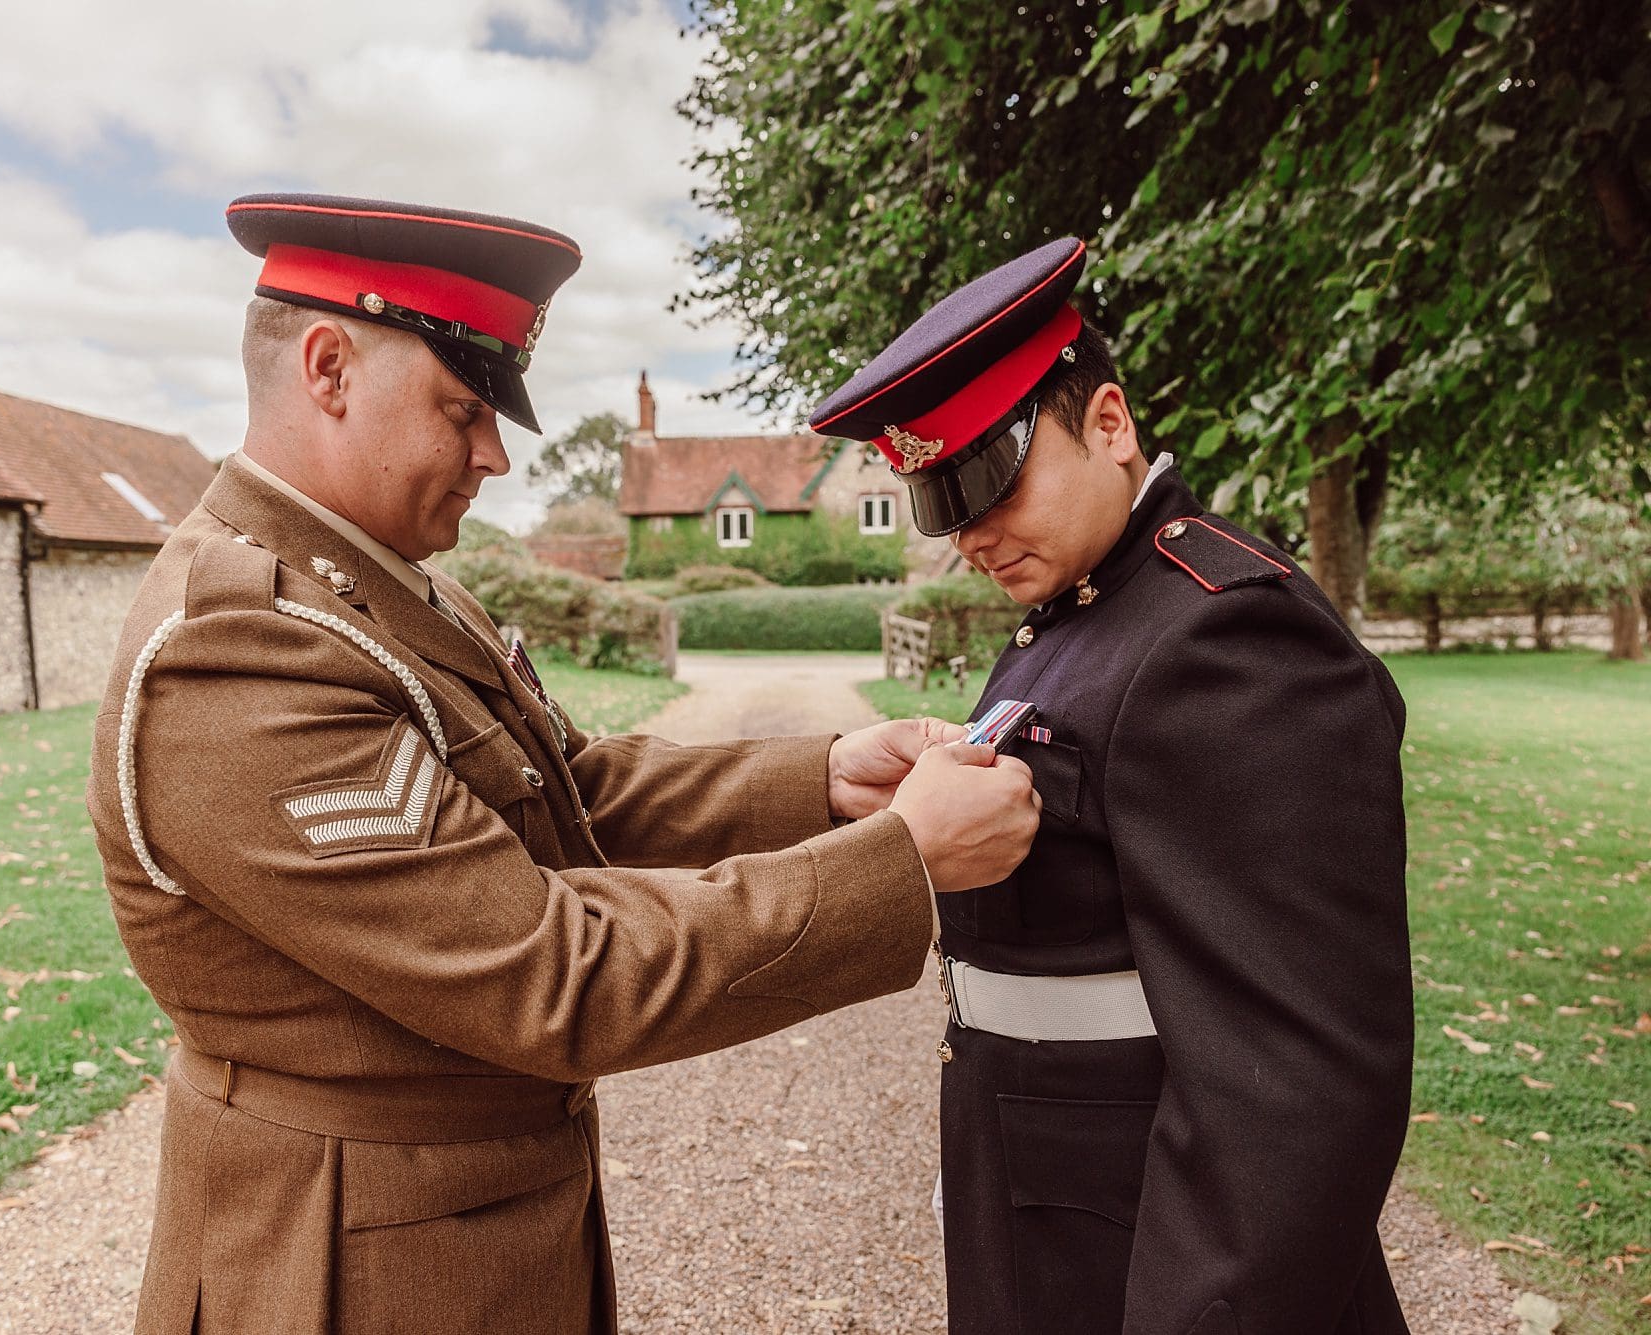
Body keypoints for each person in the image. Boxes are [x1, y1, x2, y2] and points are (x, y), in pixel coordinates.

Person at [83, 192, 1044, 1334]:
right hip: (351, 1267)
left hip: (459, 1223)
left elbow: (570, 792)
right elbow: (550, 975)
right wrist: (900, 864)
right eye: (460, 406)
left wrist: (827, 776)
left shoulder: (381, 585)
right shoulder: (238, 652)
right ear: (328, 368)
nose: (492, 452)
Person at [809, 237, 1415, 1335]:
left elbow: (1293, 1085)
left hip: (1158, 1252)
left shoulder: (1225, 635)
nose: (971, 534)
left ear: (1108, 423)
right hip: (1055, 1212)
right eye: (939, 500)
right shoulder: (1085, 611)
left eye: (989, 476)